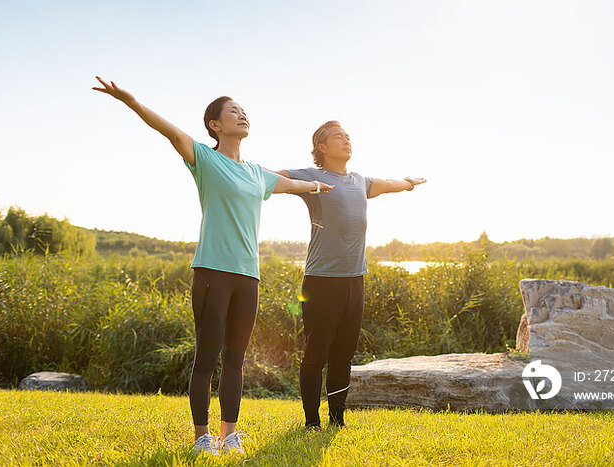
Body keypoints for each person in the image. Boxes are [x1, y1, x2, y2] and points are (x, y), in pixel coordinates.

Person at [92, 77, 333, 455]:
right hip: (211, 272)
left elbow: (295, 186)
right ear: (215, 125)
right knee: (207, 355)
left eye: (243, 110)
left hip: (248, 276)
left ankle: (229, 435)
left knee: (236, 359)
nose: (242, 114)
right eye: (233, 111)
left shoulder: (258, 174)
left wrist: (319, 187)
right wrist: (132, 101)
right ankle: (202, 437)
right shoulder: (205, 158)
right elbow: (167, 131)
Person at [277, 120, 426, 429]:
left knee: (344, 354)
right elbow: (275, 178)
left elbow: (388, 184)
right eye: (337, 137)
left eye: (347, 136)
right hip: (321, 282)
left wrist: (409, 182)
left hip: (354, 281)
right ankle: (310, 423)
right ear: (321, 146)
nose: (346, 141)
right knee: (316, 353)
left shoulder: (360, 181)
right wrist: (244, 173)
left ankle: (337, 420)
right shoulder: (313, 176)